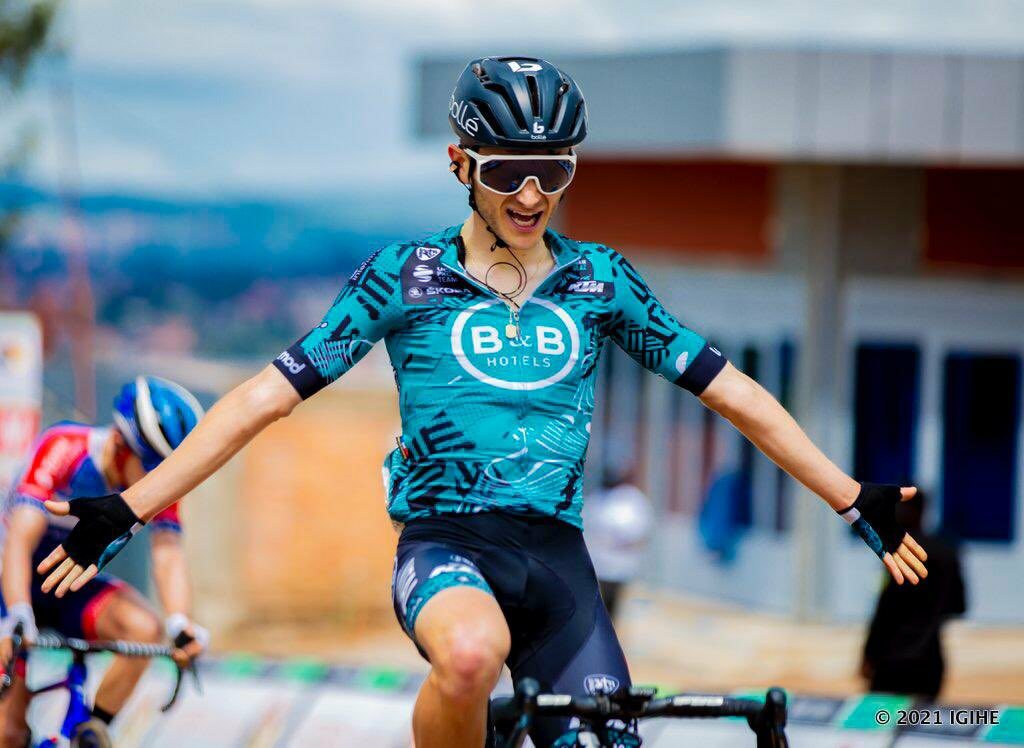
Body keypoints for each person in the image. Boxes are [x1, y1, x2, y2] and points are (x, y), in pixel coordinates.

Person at [33, 56, 928, 748]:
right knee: (470, 656)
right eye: (506, 172)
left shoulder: (601, 280)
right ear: (460, 162)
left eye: (554, 171)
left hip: (559, 565)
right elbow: (262, 399)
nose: (531, 196)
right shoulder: (403, 276)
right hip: (446, 546)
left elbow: (735, 393)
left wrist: (853, 497)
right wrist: (129, 507)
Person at [0, 376, 208, 746]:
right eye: (151, 468)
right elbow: (19, 540)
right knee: (8, 733)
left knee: (144, 628)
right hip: (10, 583)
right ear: (120, 445)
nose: (159, 481)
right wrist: (16, 611)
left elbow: (168, 551)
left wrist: (180, 622)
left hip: (66, 585)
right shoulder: (66, 447)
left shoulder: (157, 480)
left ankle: (89, 731)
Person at [861, 490, 966, 701]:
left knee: (885, 717)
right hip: (930, 659)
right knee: (920, 719)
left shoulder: (898, 551)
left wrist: (868, 654)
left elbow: (884, 611)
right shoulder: (947, 551)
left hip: (890, 662)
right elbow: (959, 605)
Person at [582, 469, 654, 623]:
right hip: (598, 566)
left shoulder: (632, 500)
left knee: (614, 609)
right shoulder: (597, 499)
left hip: (621, 566)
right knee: (597, 610)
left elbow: (641, 534)